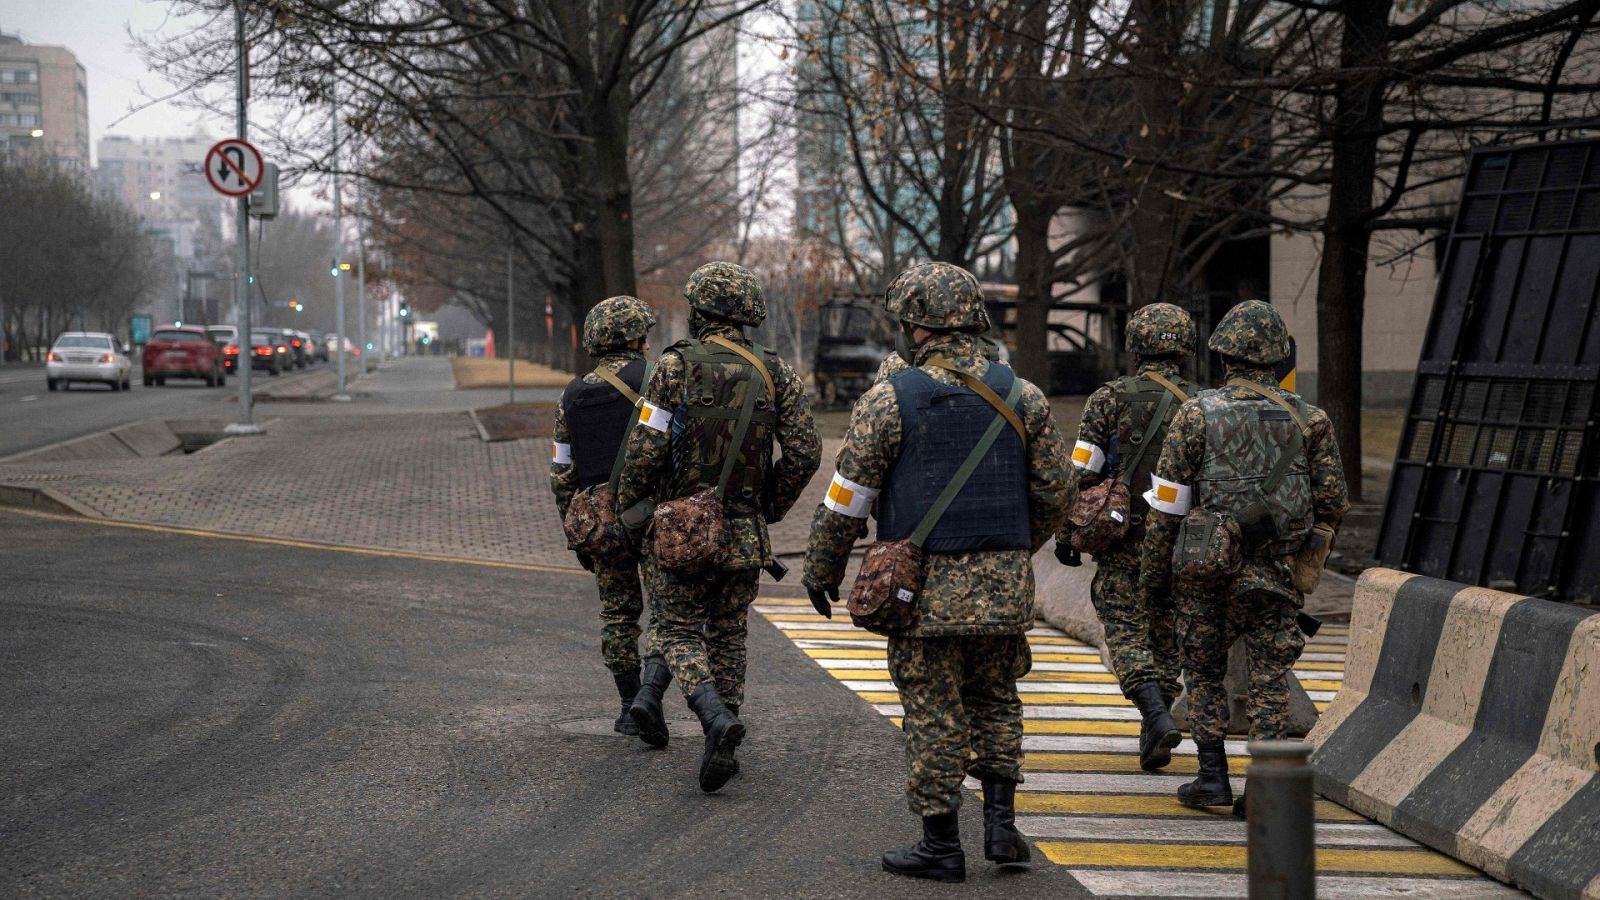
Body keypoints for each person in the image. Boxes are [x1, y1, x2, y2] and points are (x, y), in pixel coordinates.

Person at [803, 262, 1071, 882]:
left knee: (932, 709)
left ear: (917, 329)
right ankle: (1002, 828)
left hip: (921, 592)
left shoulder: (889, 399)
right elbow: (1056, 490)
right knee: (997, 697)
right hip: (1004, 588)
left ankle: (941, 844)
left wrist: (823, 567)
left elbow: (849, 496)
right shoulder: (1021, 394)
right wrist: (1014, 549)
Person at [616, 261, 821, 792]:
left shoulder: (673, 367)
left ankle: (714, 719)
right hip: (745, 531)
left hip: (683, 528)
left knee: (680, 630)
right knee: (729, 634)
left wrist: (634, 504)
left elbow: (645, 446)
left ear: (698, 312)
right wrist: (767, 505)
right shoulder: (778, 372)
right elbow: (805, 451)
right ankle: (723, 733)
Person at [1136, 300, 1348, 809]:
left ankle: (1212, 778)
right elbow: (1333, 501)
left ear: (1223, 356)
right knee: (1269, 676)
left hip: (1205, 571)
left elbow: (1167, 505)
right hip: (1277, 573)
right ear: (1277, 358)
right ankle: (1265, 786)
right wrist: (1305, 561)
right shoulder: (1310, 419)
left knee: (1204, 671)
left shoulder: (1196, 414)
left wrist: (1153, 579)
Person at [1053, 302, 1199, 772]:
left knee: (1124, 628)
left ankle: (1154, 715)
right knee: (1166, 637)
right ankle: (1154, 727)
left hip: (1122, 539)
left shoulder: (1109, 399)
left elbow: (1082, 470)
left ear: (1135, 346)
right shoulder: (1203, 403)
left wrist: (1066, 534)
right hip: (1182, 541)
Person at [550, 295, 665, 738]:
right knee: (666, 615)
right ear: (635, 338)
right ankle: (649, 699)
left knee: (618, 615)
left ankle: (627, 703)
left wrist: (574, 529)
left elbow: (562, 471)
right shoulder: (655, 379)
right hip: (655, 517)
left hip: (600, 521)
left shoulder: (573, 394)